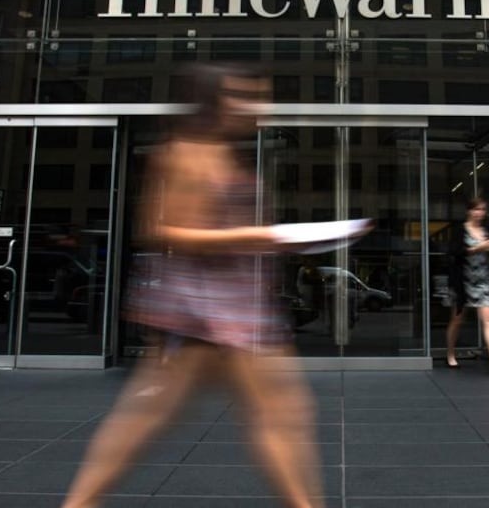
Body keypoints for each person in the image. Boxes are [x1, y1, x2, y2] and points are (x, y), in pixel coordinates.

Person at [61, 64, 335, 508]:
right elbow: (163, 230)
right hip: (200, 310)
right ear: (216, 100)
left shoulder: (223, 152)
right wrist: (256, 237)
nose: (256, 106)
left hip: (235, 309)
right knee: (159, 416)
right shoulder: (186, 152)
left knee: (279, 413)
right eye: (245, 95)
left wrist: (265, 239)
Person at [443, 197, 489, 374]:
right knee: (457, 320)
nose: (479, 213)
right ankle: (450, 354)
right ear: (469, 211)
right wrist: (478, 248)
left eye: (482, 210)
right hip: (463, 281)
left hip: (483, 280)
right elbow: (454, 251)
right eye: (476, 209)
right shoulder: (460, 230)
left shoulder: (486, 231)